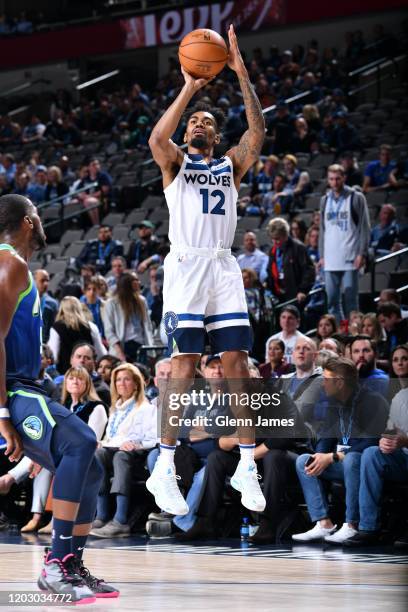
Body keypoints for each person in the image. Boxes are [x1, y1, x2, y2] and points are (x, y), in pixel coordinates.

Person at [146, 24, 267, 516]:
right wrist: (189, 88)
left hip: (222, 266)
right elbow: (157, 137)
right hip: (186, 265)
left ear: (216, 136)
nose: (197, 124)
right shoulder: (176, 164)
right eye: (193, 121)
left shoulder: (229, 167)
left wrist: (240, 73)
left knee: (238, 365)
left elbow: (257, 132)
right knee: (185, 367)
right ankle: (164, 464)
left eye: (205, 122)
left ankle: (245, 462)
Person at [0, 194, 117, 601]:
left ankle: (72, 564)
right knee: (82, 442)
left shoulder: (19, 267)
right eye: (37, 215)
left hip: (29, 386)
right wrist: (2, 414)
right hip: (14, 389)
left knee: (93, 470)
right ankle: (56, 564)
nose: (41, 220)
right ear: (28, 222)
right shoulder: (8, 261)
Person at [292, 357, 388, 545]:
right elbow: (326, 437)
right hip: (341, 463)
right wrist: (319, 456)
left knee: (352, 458)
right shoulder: (333, 402)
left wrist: (333, 456)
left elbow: (371, 442)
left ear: (340, 382)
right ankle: (323, 523)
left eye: (326, 380)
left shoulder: (372, 401)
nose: (323, 384)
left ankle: (351, 525)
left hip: (365, 467)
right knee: (304, 460)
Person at [344, 345, 408, 547]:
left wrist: (404, 440)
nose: (399, 363)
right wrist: (385, 440)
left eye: (404, 358)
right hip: (401, 458)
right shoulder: (398, 396)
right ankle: (368, 527)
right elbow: (391, 430)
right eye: (396, 359)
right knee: (371, 452)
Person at [91, 364, 156, 537]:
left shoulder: (146, 408)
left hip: (137, 457)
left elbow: (153, 438)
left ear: (136, 384)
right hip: (115, 450)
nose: (122, 383)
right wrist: (101, 442)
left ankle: (120, 521)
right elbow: (113, 438)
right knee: (97, 454)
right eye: (118, 380)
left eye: (127, 379)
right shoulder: (116, 409)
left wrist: (136, 443)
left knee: (121, 456)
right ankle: (102, 516)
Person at [319, 164, 370, 323]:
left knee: (351, 301)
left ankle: (354, 334)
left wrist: (362, 253)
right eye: (331, 179)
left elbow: (364, 227)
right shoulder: (324, 200)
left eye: (337, 179)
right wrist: (321, 255)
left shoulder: (356, 197)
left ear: (344, 178)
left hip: (350, 257)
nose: (334, 182)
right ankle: (340, 333)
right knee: (332, 300)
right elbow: (322, 229)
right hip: (330, 258)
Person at [102, 272, 153, 362]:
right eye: (135, 280)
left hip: (140, 346)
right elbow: (109, 331)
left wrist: (151, 351)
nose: (139, 282)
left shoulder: (142, 301)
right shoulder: (111, 303)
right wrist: (120, 353)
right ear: (127, 283)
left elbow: (148, 327)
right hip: (122, 347)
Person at [48, 296, 106, 375]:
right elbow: (100, 353)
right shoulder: (91, 326)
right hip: (87, 375)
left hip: (66, 375)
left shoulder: (57, 328)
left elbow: (53, 356)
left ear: (61, 310)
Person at [266, 217, 315, 304]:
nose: (275, 242)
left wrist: (303, 290)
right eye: (272, 238)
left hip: (296, 296)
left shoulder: (298, 247)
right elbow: (270, 270)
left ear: (285, 235)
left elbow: (309, 270)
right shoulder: (272, 250)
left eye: (277, 238)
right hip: (279, 295)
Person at [33, 269, 58, 343]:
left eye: (47, 280)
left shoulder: (52, 303)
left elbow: (54, 328)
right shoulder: (24, 301)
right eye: (42, 280)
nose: (46, 283)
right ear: (33, 281)